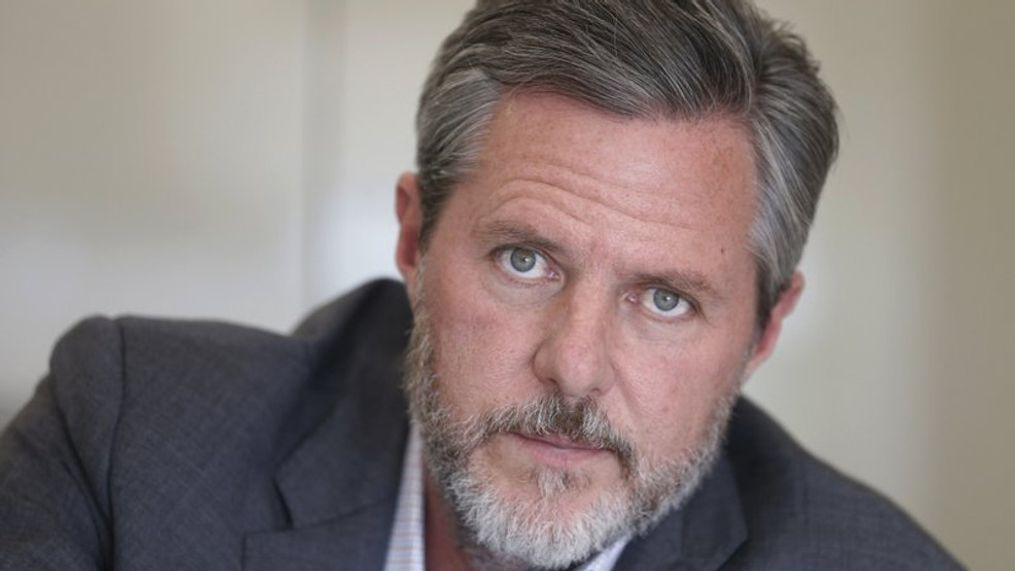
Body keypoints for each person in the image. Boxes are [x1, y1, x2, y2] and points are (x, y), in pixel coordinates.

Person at [0, 1, 963, 569]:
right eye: (524, 260)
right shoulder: (127, 437)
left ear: (761, 331)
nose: (574, 368)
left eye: (665, 298)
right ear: (415, 238)